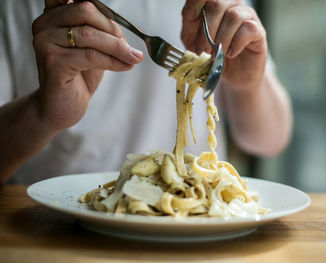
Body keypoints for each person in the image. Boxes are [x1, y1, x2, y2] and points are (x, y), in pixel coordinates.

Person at [0, 0, 292, 184]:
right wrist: (43, 114)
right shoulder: (16, 7)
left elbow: (269, 139)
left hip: (194, 228)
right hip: (57, 232)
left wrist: (248, 86)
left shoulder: (213, 6)